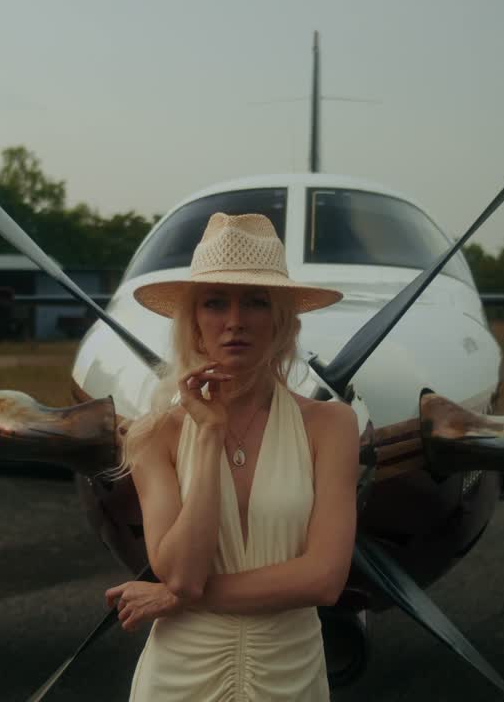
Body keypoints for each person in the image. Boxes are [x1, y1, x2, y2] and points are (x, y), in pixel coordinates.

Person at [104, 212, 361, 701]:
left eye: (256, 302)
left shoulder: (331, 426)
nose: (235, 321)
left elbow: (325, 579)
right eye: (216, 302)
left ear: (282, 321)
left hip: (290, 675)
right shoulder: (153, 436)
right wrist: (208, 435)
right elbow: (179, 570)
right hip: (180, 677)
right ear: (195, 323)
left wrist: (174, 598)